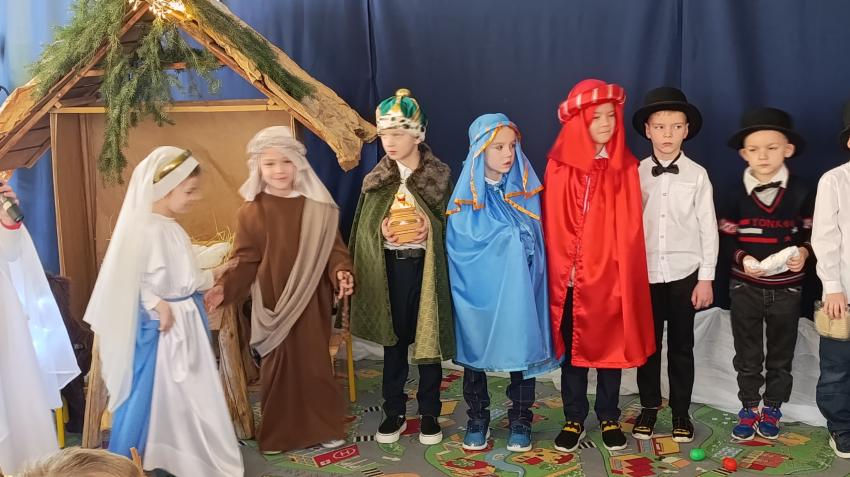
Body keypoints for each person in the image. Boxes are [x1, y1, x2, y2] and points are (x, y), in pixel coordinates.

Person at [84, 147, 243, 476]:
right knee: (153, 395)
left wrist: (216, 273)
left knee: (184, 397)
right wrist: (154, 302)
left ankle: (180, 456)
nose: (196, 197)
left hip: (186, 321)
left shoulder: (170, 227)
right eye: (189, 191)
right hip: (164, 327)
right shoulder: (145, 230)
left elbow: (183, 276)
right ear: (165, 188)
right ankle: (134, 458)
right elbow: (125, 276)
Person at [206, 126, 354, 453]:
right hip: (273, 304)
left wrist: (341, 271)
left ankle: (323, 426)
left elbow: (334, 250)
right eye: (269, 163)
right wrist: (223, 289)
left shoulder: (319, 208)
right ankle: (278, 434)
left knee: (314, 365)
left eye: (286, 161)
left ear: (299, 164)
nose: (279, 170)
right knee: (277, 368)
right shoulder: (252, 211)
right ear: (258, 167)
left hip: (311, 300)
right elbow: (245, 260)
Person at [543, 79, 655, 453]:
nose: (606, 123)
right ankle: (574, 416)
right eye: (597, 117)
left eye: (611, 115)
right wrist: (567, 266)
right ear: (580, 122)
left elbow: (629, 231)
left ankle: (608, 415)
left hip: (610, 279)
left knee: (610, 351)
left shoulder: (624, 168)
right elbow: (554, 224)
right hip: (572, 279)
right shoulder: (559, 167)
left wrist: (612, 268)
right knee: (573, 353)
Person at [446, 113, 557, 452]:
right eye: (498, 147)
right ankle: (477, 417)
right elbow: (460, 248)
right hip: (478, 293)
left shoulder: (524, 194)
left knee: (521, 347)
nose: (508, 154)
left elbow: (537, 243)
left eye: (512, 146)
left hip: (519, 290)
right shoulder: (465, 199)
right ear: (480, 150)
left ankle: (521, 417)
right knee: (476, 348)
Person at [349, 89, 454, 445]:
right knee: (393, 345)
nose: (390, 142)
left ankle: (429, 413)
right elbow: (363, 227)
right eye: (384, 135)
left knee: (427, 343)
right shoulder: (377, 180)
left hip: (425, 270)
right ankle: (393, 411)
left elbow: (453, 225)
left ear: (417, 134)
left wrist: (430, 229)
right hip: (391, 270)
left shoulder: (438, 177)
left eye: (397, 134)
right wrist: (378, 230)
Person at [719, 107, 813, 441]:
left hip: (787, 289)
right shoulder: (732, 191)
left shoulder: (802, 191)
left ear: (788, 149)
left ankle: (773, 407)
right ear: (743, 153)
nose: (763, 155)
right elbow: (726, 238)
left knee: (781, 353)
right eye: (754, 149)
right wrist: (742, 258)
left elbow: (812, 235)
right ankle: (748, 406)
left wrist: (804, 253)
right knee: (747, 353)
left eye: (772, 148)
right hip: (744, 286)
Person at [632, 87, 718, 442]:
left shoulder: (697, 175)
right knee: (647, 347)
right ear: (648, 130)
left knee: (682, 346)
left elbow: (708, 228)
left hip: (685, 274)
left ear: (687, 130)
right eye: (660, 126)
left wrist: (706, 278)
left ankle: (681, 412)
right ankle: (649, 407)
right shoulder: (635, 173)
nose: (667, 134)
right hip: (645, 274)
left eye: (676, 126)